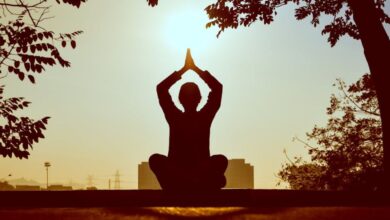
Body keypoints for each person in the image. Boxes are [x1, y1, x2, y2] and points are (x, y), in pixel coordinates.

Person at [149, 49, 228, 191]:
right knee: (155, 159)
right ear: (200, 99)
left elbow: (161, 89)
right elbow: (217, 88)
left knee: (221, 160)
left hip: (189, 173)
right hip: (186, 172)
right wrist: (193, 69)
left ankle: (190, 181)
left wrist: (185, 70)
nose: (190, 100)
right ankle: (196, 181)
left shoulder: (179, 116)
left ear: (179, 99)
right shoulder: (194, 116)